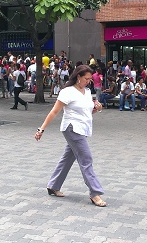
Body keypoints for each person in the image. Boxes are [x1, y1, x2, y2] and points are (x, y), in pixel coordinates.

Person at [35, 65, 106, 207]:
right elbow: (54, 112)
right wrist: (41, 129)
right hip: (72, 129)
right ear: (78, 77)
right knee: (86, 159)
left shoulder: (87, 92)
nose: (88, 81)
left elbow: (87, 112)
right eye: (86, 79)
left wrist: (98, 108)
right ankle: (95, 193)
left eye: (90, 79)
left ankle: (53, 185)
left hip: (83, 128)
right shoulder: (67, 92)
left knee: (67, 158)